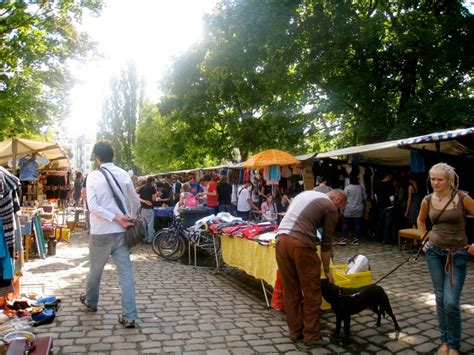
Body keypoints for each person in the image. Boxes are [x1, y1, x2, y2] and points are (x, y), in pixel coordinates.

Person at [81, 140, 140, 328]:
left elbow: (93, 207)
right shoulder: (123, 174)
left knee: (95, 271)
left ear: (98, 157)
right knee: (126, 275)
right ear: (112, 155)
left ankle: (91, 302)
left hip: (100, 233)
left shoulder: (93, 176)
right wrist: (128, 218)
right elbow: (135, 201)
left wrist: (114, 217)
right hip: (122, 233)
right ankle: (130, 316)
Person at [275, 189, 346, 346]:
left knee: (291, 290)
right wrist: (327, 270)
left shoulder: (305, 194)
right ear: (338, 199)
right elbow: (327, 243)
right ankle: (312, 335)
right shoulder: (331, 208)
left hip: (280, 240)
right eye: (341, 206)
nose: (339, 211)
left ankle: (295, 332)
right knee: (311, 291)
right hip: (301, 244)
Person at [418, 163, 474, 355]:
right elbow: (420, 220)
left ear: (449, 180)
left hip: (457, 253)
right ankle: (445, 342)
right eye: (432, 179)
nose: (435, 182)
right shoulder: (427, 199)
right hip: (434, 252)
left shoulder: (462, 197)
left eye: (440, 179)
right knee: (440, 298)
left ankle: (454, 345)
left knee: (451, 301)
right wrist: (423, 239)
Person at [339, 175, 366, 245]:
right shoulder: (361, 188)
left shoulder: (347, 188)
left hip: (349, 208)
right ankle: (356, 239)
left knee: (345, 223)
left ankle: (344, 239)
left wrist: (342, 209)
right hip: (358, 209)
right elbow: (365, 197)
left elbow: (344, 198)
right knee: (357, 224)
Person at [138, 176, 157, 243]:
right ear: (152, 181)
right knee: (150, 224)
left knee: (144, 224)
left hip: (143, 208)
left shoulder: (141, 188)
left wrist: (145, 201)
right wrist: (156, 195)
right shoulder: (152, 188)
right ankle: (150, 239)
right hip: (149, 208)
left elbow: (139, 198)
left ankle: (145, 238)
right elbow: (154, 199)